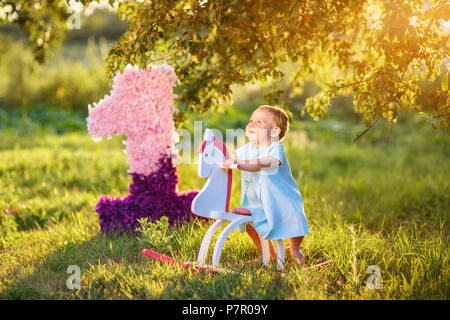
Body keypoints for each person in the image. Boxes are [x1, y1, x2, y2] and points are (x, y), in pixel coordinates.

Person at [221, 105, 309, 264]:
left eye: (259, 122)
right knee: (250, 224)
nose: (251, 124)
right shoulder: (247, 149)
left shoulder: (275, 149)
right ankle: (268, 253)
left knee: (294, 220)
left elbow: (264, 162)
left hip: (281, 199)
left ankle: (295, 249)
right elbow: (233, 158)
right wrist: (227, 161)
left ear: (275, 132)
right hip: (256, 202)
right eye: (250, 121)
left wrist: (240, 163)